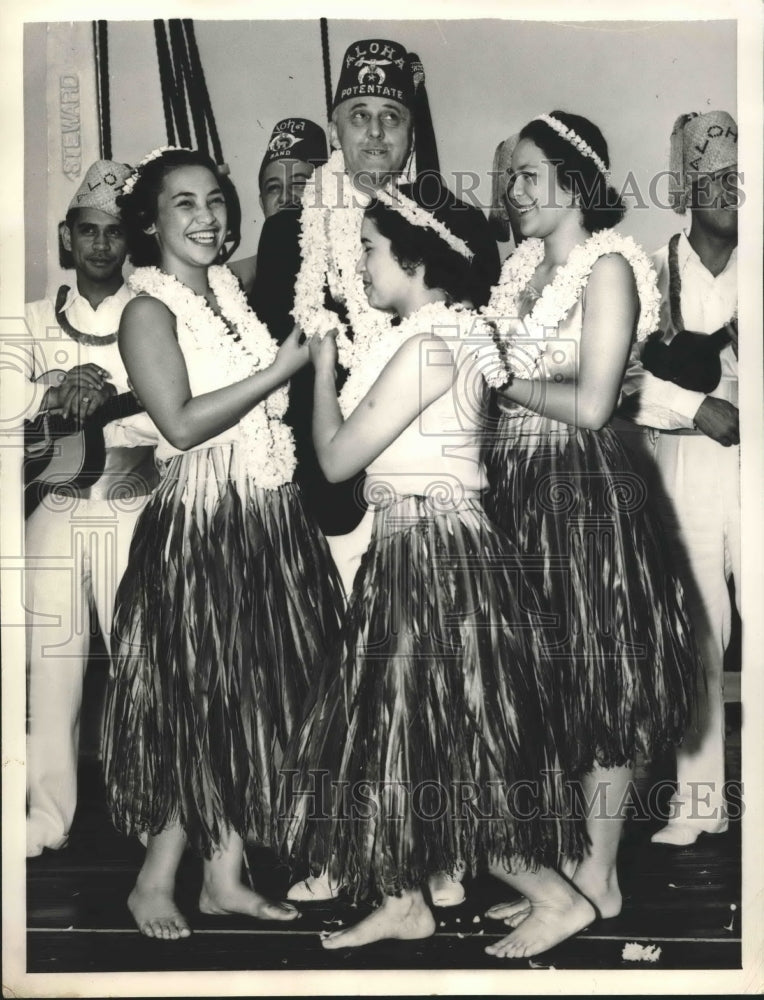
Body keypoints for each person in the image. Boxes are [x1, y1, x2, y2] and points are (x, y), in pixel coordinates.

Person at [280, 175, 580, 950]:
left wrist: (319, 369)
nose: (366, 264)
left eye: (374, 250)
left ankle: (554, 897)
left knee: (447, 743)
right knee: (398, 731)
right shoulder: (457, 334)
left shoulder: (426, 344)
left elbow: (339, 459)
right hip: (426, 547)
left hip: (433, 557)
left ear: (415, 258)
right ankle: (405, 899)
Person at [101, 146, 344, 939]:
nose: (209, 218)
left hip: (265, 516)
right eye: (184, 205)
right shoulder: (147, 309)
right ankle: (154, 882)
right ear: (149, 221)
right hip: (203, 523)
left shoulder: (227, 293)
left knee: (248, 699)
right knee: (196, 702)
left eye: (215, 201)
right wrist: (280, 370)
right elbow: (179, 422)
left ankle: (225, 878)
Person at [476, 112, 697, 958]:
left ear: (576, 180)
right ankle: (568, 873)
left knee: (604, 680)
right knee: (548, 689)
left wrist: (500, 378)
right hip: (515, 489)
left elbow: (597, 403)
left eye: (530, 174)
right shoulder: (520, 272)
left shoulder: (610, 267)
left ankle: (598, 875)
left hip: (583, 491)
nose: (513, 190)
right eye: (510, 176)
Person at [250, 37, 500, 553]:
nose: (375, 132)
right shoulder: (287, 233)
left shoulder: (458, 226)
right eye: (359, 114)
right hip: (318, 490)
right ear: (335, 126)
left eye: (392, 116)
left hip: (432, 492)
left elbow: (483, 355)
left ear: (411, 133)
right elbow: (271, 363)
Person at [22, 159, 158, 859]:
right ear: (65, 238)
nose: (101, 245)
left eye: (114, 232)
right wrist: (52, 389)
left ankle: (152, 813)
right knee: (51, 664)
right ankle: (47, 814)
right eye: (87, 231)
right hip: (53, 507)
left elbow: (173, 421)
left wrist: (111, 396)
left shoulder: (154, 315)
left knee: (140, 662)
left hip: (131, 505)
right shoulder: (29, 320)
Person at [619, 111, 739, 846]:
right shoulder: (648, 270)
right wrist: (696, 407)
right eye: (716, 180)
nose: (732, 192)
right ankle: (699, 805)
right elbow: (620, 379)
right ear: (687, 189)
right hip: (687, 463)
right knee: (698, 627)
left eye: (741, 179)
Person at [228, 117, 328, 296]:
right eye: (273, 188)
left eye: (299, 184)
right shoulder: (234, 282)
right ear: (262, 204)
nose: (285, 197)